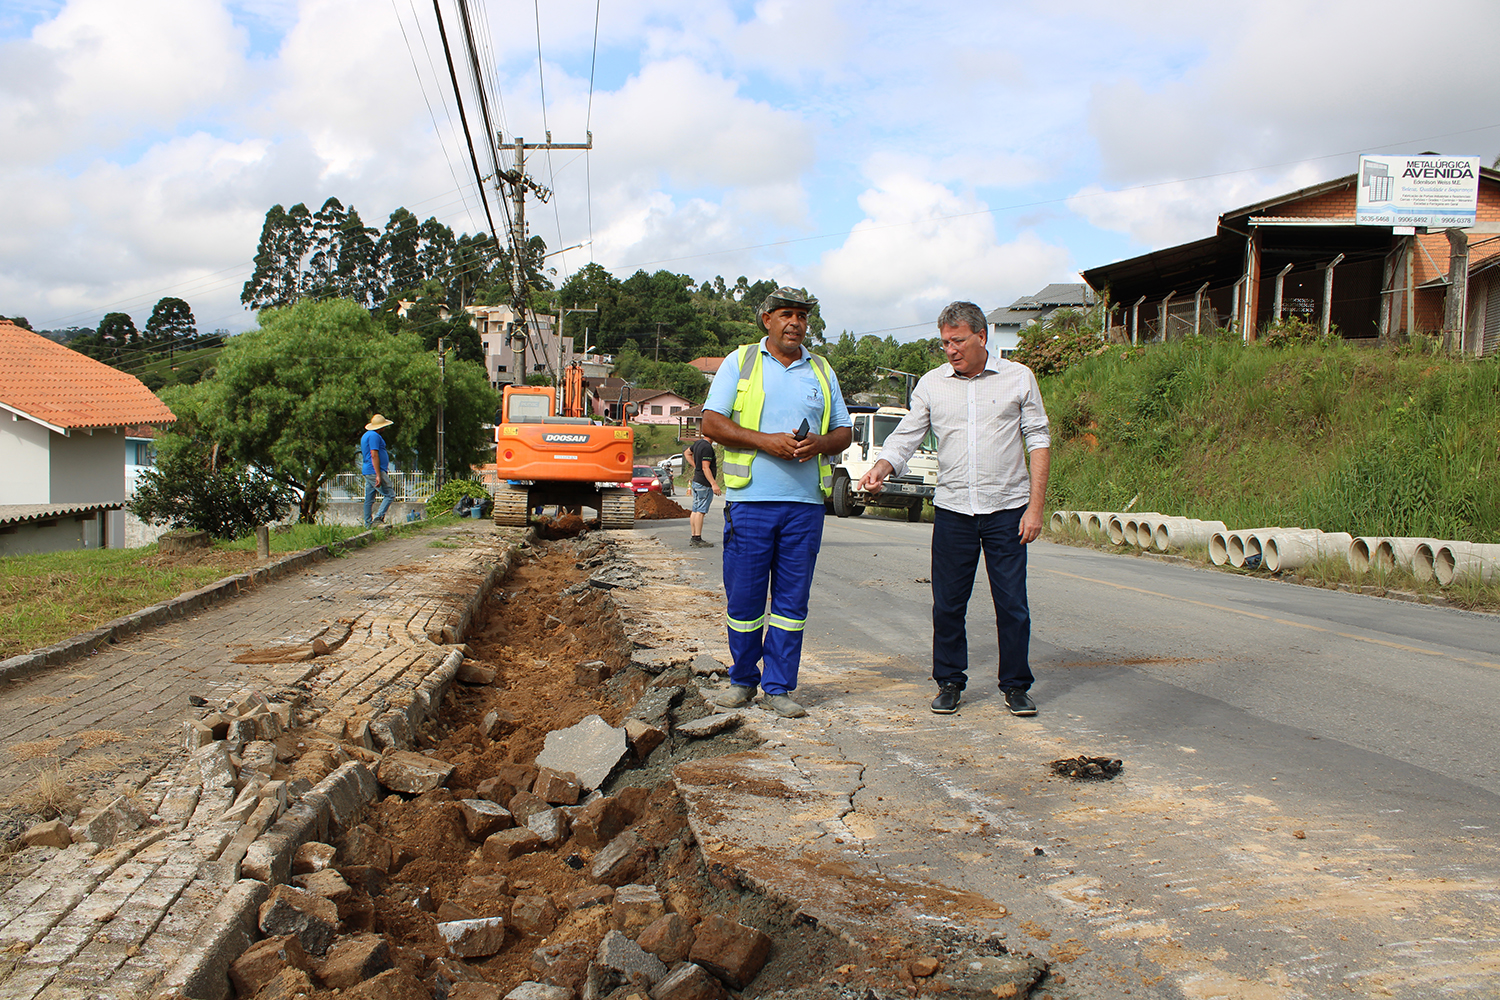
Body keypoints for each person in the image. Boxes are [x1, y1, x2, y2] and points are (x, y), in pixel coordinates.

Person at [858, 301, 1050, 718]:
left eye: (958, 340)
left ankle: (1016, 685)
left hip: (1007, 510)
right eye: (945, 342)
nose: (950, 349)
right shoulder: (932, 384)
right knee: (947, 604)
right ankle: (949, 681)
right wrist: (881, 467)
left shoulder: (1019, 378)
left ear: (982, 337)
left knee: (1012, 604)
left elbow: (1038, 440)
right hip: (953, 511)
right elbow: (906, 436)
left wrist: (1035, 509)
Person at [701, 287, 853, 718]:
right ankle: (743, 680)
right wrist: (765, 442)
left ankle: (780, 687)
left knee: (790, 603)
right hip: (752, 502)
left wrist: (819, 443)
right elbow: (711, 422)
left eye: (802, 316)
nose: (795, 323)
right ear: (766, 320)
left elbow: (844, 431)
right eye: (786, 314)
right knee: (745, 599)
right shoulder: (742, 361)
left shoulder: (821, 370)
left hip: (805, 506)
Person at [361, 413, 396, 527]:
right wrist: (378, 474)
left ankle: (367, 524)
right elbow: (374, 454)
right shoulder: (374, 436)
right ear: (381, 427)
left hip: (368, 470)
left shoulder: (366, 435)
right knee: (389, 494)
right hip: (375, 470)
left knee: (369, 498)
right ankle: (378, 518)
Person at [686, 436, 721, 547]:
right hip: (704, 483)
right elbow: (706, 468)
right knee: (701, 511)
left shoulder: (698, 443)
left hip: (696, 481)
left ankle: (693, 536)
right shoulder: (707, 447)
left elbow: (687, 453)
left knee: (695, 510)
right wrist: (713, 484)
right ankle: (697, 538)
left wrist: (696, 466)